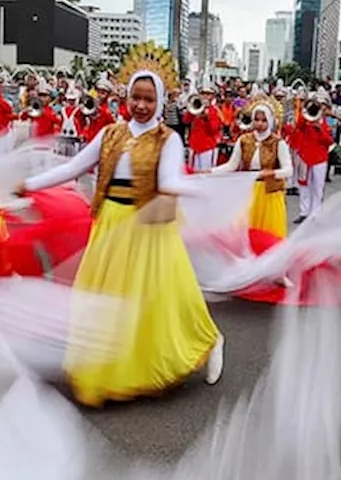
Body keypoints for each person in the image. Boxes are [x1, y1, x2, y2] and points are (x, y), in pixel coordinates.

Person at [19, 62, 223, 406]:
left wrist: (202, 188)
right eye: (136, 98)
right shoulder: (111, 133)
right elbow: (73, 167)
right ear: (126, 98)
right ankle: (108, 366)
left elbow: (170, 181)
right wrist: (28, 184)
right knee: (109, 299)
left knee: (167, 296)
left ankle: (210, 339)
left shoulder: (167, 139)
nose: (141, 105)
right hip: (111, 221)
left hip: (149, 224)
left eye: (149, 99)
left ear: (159, 102)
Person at [213, 99, 293, 238]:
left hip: (270, 193)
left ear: (270, 121)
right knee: (248, 232)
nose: (259, 123)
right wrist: (211, 172)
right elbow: (232, 165)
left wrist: (271, 172)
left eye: (263, 120)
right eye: (256, 119)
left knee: (269, 234)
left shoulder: (278, 143)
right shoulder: (244, 140)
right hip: (249, 190)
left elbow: (288, 170)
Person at [293, 96, 334, 223]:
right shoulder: (305, 121)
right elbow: (298, 125)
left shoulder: (325, 122)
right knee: (304, 185)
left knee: (318, 187)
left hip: (319, 159)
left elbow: (329, 141)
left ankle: (316, 213)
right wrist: (305, 111)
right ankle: (304, 212)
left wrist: (320, 129)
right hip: (305, 157)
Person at [186, 84, 222, 172]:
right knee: (193, 175)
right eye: (203, 94)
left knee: (206, 175)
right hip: (194, 146)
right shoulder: (195, 108)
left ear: (213, 96)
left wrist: (206, 117)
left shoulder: (215, 110)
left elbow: (214, 129)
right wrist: (191, 112)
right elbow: (186, 120)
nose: (205, 96)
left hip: (207, 147)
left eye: (208, 94)